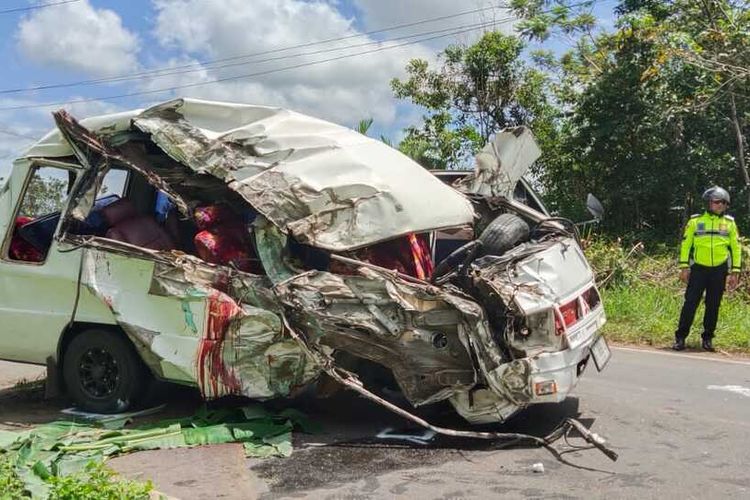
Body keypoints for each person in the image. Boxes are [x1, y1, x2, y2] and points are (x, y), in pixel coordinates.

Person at [673, 186, 741, 352]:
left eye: (724, 203)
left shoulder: (729, 224)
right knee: (690, 303)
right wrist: (684, 267)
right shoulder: (695, 222)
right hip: (699, 269)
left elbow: (736, 248)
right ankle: (681, 338)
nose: (720, 205)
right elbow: (686, 245)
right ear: (708, 203)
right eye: (717, 202)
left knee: (713, 305)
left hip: (719, 270)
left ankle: (708, 339)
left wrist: (735, 271)